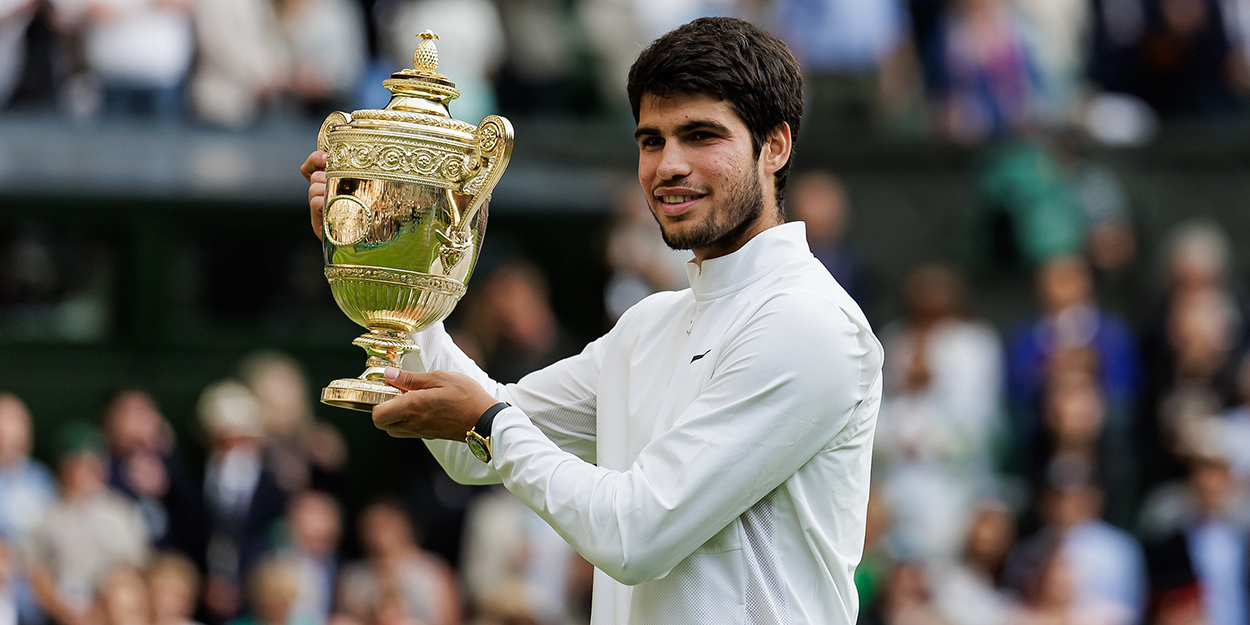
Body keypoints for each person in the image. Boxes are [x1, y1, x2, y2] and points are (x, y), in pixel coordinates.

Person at [302, 17, 883, 624]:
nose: (668, 166)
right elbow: (474, 448)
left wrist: (487, 423)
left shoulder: (812, 323)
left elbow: (637, 534)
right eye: (651, 140)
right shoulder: (650, 324)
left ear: (777, 147)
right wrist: (384, 257)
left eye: (701, 136)